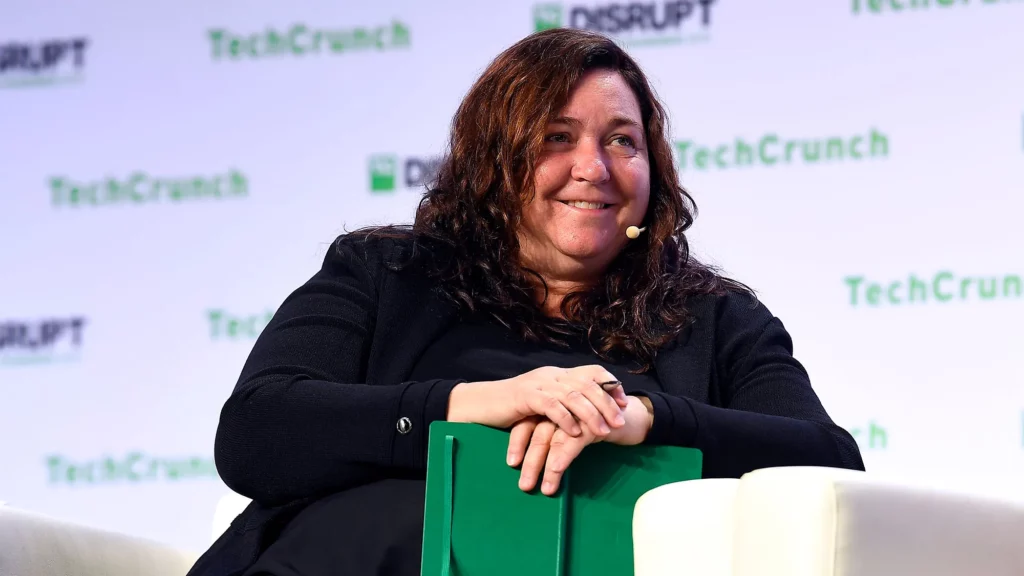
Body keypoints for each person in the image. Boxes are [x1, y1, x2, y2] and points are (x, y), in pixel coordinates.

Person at [186, 28, 864, 576]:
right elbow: (257, 432)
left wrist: (642, 420)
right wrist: (479, 405)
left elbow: (829, 466)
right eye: (557, 138)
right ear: (495, 160)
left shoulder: (713, 318)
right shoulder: (385, 273)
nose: (593, 168)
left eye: (622, 140)